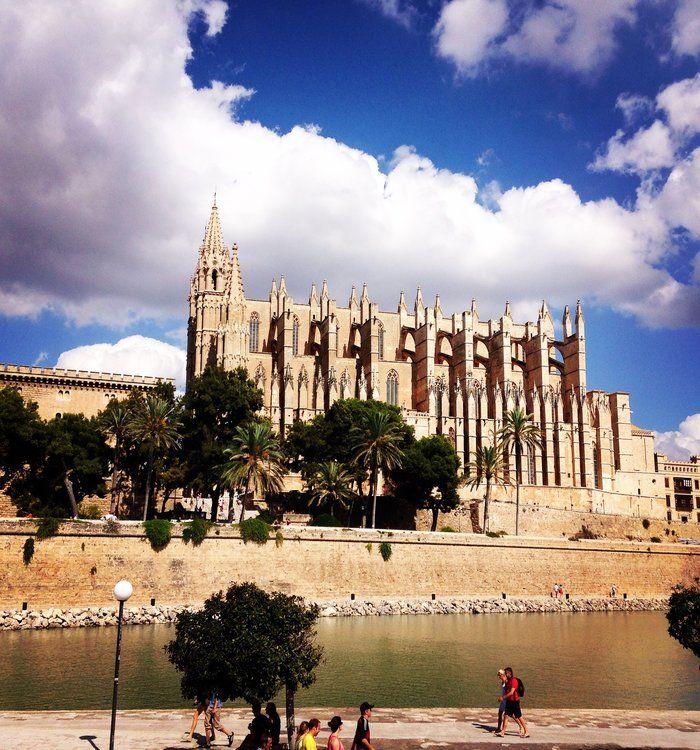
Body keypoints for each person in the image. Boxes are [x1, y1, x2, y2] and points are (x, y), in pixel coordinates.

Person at [496, 667, 528, 738]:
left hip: (515, 701)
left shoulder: (514, 681)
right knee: (506, 715)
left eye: (505, 673)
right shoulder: (508, 681)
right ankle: (502, 732)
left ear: (508, 673)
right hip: (509, 701)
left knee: (519, 716)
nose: (504, 675)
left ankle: (526, 731)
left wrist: (503, 697)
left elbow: (511, 692)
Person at [495, 669, 507, 733]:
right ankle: (499, 728)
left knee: (513, 715)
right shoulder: (502, 681)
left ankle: (521, 726)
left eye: (499, 675)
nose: (499, 677)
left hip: (506, 700)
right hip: (503, 700)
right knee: (500, 713)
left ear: (503, 675)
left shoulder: (506, 681)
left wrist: (503, 697)